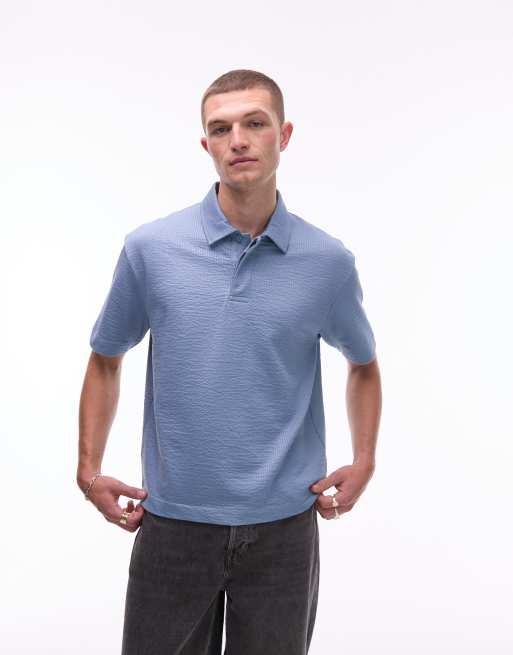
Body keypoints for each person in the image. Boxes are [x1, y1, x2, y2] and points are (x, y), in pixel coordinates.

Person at [77, 68, 382, 654]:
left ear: (283, 136)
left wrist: (364, 459)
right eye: (221, 129)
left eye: (255, 123)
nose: (238, 140)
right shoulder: (151, 250)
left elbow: (363, 364)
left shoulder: (327, 262)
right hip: (172, 524)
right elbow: (105, 358)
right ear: (206, 144)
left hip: (284, 529)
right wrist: (88, 470)